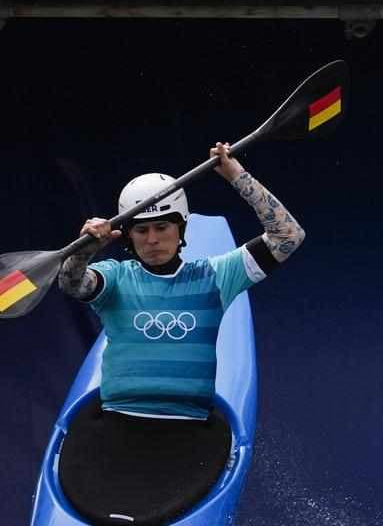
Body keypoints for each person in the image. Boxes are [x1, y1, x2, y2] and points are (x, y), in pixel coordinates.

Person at [54, 142, 304, 525]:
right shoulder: (115, 279)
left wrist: (237, 176)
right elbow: (72, 284)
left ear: (181, 228)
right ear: (129, 235)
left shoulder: (215, 277)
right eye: (141, 230)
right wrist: (84, 251)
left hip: (186, 437)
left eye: (162, 227)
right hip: (116, 430)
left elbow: (288, 236)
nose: (152, 239)